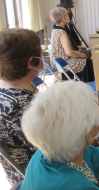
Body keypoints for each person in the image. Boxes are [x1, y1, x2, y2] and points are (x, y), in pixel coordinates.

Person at [0, 28, 42, 186]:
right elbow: (57, 151)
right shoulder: (26, 107)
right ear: (32, 61)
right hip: (45, 177)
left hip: (18, 178)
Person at [49, 7, 95, 82]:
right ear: (64, 18)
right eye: (68, 15)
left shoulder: (55, 29)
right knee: (89, 62)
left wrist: (77, 53)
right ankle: (88, 84)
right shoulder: (61, 32)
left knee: (86, 59)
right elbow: (69, 52)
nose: (69, 17)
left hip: (61, 59)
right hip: (63, 62)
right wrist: (80, 54)